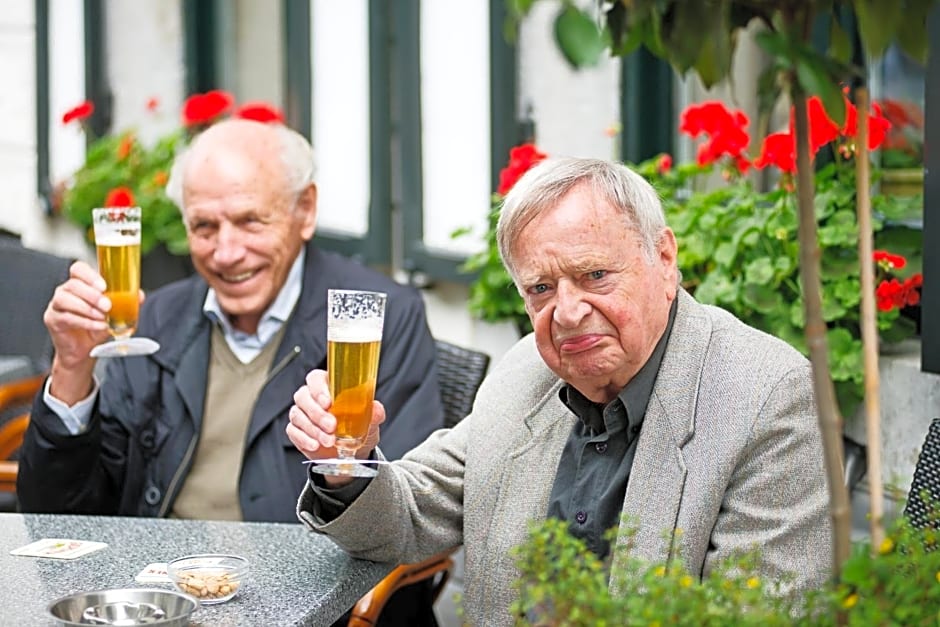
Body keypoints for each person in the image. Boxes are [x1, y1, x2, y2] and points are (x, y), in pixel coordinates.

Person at [287, 157, 834, 625]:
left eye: (595, 275)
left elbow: (759, 615)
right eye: (541, 288)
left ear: (664, 261)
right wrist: (347, 463)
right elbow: (411, 513)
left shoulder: (767, 396)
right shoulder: (530, 368)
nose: (568, 313)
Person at [17, 118, 444, 524]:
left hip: (299, 588)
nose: (226, 252)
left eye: (249, 221)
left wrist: (344, 469)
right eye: (204, 227)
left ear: (306, 210)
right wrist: (71, 370)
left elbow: (409, 515)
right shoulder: (157, 319)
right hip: (160, 588)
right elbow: (58, 516)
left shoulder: (375, 320)